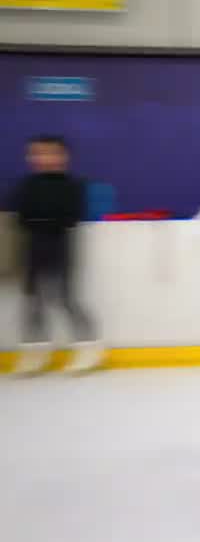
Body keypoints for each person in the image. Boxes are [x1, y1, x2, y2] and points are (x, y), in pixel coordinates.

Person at [7, 135, 103, 374]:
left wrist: (44, 220)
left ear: (63, 156)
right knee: (33, 301)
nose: (43, 158)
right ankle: (34, 353)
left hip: (61, 247)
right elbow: (21, 217)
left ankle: (89, 349)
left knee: (67, 298)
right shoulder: (26, 186)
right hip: (32, 248)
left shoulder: (73, 185)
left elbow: (71, 217)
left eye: (50, 153)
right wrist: (41, 221)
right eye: (37, 153)